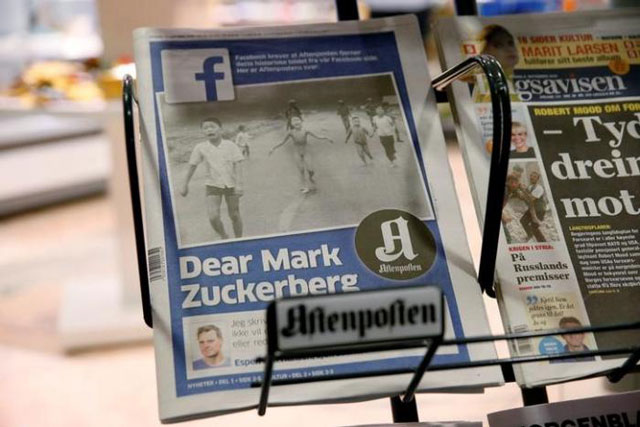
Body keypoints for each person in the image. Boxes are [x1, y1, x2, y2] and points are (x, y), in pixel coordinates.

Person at [181, 117, 244, 240]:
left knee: (234, 215)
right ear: (203, 132)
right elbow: (192, 165)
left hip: (231, 184)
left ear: (220, 129)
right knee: (213, 217)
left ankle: (239, 239)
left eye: (212, 126)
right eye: (205, 128)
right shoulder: (200, 147)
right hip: (212, 185)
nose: (209, 129)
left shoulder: (230, 145)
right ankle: (224, 235)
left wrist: (239, 184)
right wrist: (185, 184)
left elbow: (239, 164)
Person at [269, 116, 334, 193]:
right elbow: (282, 142)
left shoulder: (306, 131)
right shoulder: (291, 132)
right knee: (301, 170)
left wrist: (327, 138)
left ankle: (310, 176)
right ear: (292, 124)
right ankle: (305, 186)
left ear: (301, 123)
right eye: (295, 123)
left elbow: (317, 136)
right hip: (297, 152)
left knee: (310, 170)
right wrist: (273, 148)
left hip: (306, 151)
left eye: (298, 122)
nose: (297, 124)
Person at [517, 170, 548, 242]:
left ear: (537, 179)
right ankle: (530, 235)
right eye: (531, 176)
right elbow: (525, 197)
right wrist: (519, 194)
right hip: (532, 209)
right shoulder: (530, 187)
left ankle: (543, 242)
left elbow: (531, 199)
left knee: (534, 227)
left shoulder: (539, 188)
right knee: (523, 221)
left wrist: (523, 190)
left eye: (534, 176)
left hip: (539, 210)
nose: (532, 177)